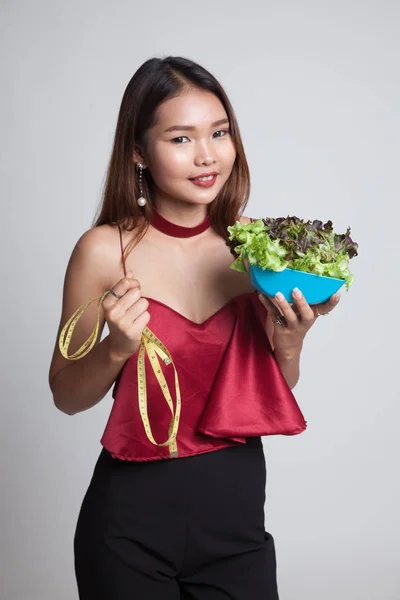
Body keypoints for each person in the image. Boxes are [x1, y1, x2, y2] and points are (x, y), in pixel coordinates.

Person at [48, 55, 340, 600]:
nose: (208, 155)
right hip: (127, 530)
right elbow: (64, 394)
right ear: (139, 151)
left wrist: (291, 343)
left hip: (237, 526)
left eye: (220, 132)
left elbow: (271, 390)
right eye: (181, 139)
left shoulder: (254, 246)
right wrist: (116, 350)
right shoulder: (103, 250)